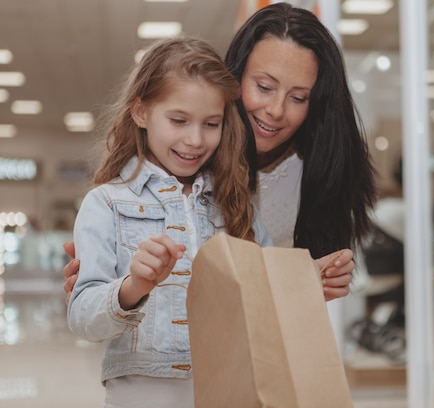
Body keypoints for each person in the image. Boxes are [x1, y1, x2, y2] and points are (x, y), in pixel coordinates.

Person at [63, 2, 376, 302]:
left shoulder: (323, 167)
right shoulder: (185, 159)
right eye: (264, 87)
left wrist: (316, 280)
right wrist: (108, 286)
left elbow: (276, 283)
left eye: (298, 97)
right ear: (234, 78)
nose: (276, 110)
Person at [66, 36, 272, 408]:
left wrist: (305, 281)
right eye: (178, 120)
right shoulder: (105, 204)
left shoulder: (238, 206)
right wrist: (133, 287)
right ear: (141, 112)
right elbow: (82, 318)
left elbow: (266, 303)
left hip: (232, 397)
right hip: (139, 404)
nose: (195, 140)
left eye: (211, 123)